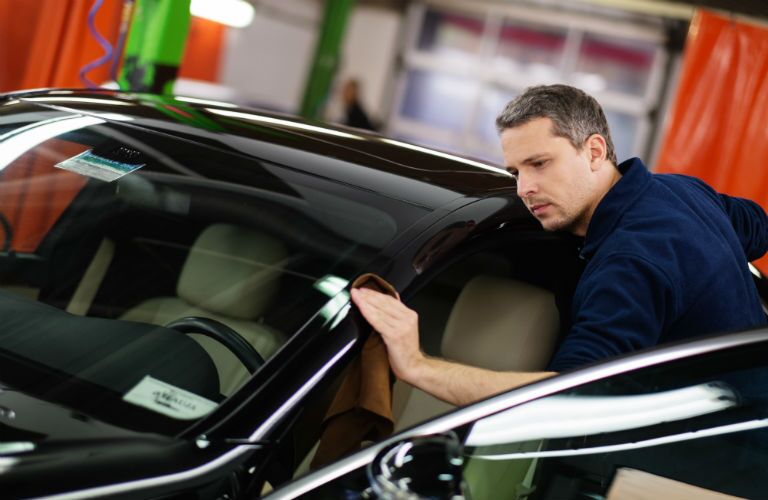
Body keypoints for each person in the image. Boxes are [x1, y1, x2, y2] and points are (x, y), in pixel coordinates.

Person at [350, 84, 768, 406]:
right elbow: (758, 227)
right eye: (515, 170)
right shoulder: (682, 191)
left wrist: (419, 367)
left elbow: (563, 399)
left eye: (540, 164)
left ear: (595, 151)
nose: (525, 188)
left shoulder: (629, 265)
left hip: (708, 465)